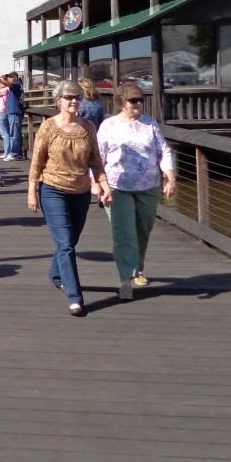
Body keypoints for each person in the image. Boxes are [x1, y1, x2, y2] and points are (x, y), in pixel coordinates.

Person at [27, 80, 112, 317]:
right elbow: (37, 161)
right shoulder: (48, 127)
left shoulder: (87, 128)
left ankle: (56, 275)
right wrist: (32, 191)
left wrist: (103, 184)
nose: (73, 101)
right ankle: (75, 296)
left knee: (71, 240)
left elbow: (95, 160)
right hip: (53, 188)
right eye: (68, 97)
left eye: (77, 97)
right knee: (65, 244)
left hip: (81, 190)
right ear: (59, 101)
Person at [96, 82, 176, 301]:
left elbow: (164, 151)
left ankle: (137, 269)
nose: (138, 104)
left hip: (148, 187)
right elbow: (98, 157)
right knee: (124, 233)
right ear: (121, 102)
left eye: (140, 99)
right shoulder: (108, 126)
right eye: (133, 100)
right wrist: (98, 184)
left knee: (142, 230)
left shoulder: (149, 124)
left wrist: (170, 177)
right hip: (117, 187)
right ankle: (126, 280)